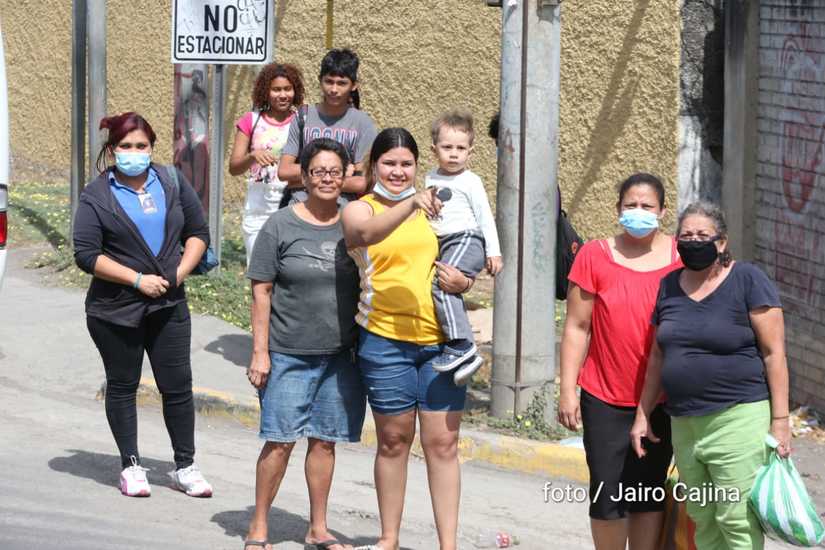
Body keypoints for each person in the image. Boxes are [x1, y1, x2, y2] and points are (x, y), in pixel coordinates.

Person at [341, 128, 474, 550]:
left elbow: (464, 250)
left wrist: (464, 280)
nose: (398, 172)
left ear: (418, 166)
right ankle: (388, 539)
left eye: (406, 164)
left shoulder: (438, 208)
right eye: (389, 163)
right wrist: (407, 204)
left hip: (442, 345)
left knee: (443, 442)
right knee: (394, 440)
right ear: (373, 166)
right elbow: (365, 236)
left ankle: (447, 545)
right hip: (384, 341)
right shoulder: (360, 210)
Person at [631, 201, 791, 550]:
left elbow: (774, 352)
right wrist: (643, 414)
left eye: (702, 235)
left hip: (737, 417)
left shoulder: (748, 279)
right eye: (686, 235)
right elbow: (658, 355)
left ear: (721, 242)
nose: (693, 241)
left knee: (734, 516)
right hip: (685, 422)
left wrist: (780, 420)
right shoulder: (669, 285)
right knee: (702, 515)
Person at [73, 112, 213, 498]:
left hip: (168, 304)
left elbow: (198, 232)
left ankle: (185, 465)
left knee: (178, 386)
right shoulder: (97, 194)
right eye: (126, 147)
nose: (134, 153)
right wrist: (136, 280)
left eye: (142, 146)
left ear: (152, 148)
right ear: (113, 150)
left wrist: (180, 272)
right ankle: (131, 465)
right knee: (123, 385)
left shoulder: (170, 181)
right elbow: (86, 254)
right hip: (114, 311)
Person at [244, 138, 366, 550]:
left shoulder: (354, 223)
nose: (327, 179)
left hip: (339, 357)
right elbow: (261, 291)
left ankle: (318, 527)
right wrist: (260, 352)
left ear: (347, 175)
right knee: (279, 441)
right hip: (288, 355)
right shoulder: (280, 226)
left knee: (325, 441)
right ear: (305, 175)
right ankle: (259, 525)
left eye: (335, 171)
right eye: (318, 171)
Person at [558, 173, 682, 550]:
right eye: (631, 205)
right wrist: (567, 390)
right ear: (618, 210)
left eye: (647, 206)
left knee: (648, 494)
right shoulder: (595, 255)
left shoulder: (681, 259)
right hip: (604, 396)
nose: (639, 213)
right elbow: (578, 327)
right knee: (607, 498)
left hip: (661, 400)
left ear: (662, 211)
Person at [424, 109, 502, 385]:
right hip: (443, 243)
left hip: (466, 238)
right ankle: (466, 356)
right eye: (447, 147)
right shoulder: (429, 179)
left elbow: (484, 217)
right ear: (434, 150)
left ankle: (462, 344)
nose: (454, 154)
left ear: (471, 150)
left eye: (460, 148)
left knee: (441, 284)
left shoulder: (470, 181)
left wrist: (494, 251)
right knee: (442, 287)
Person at [278, 48, 378, 203]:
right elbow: (284, 171)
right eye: (329, 82)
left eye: (342, 83)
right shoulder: (303, 116)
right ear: (320, 80)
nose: (334, 90)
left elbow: (362, 182)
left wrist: (304, 178)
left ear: (354, 86)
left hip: (341, 211)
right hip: (301, 205)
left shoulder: (362, 122)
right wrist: (342, 171)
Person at [229, 62, 305, 264]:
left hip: (294, 203)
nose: (283, 95)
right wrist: (253, 156)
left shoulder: (304, 120)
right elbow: (234, 167)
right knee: (260, 272)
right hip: (258, 208)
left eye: (288, 89)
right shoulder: (251, 120)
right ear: (266, 91)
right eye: (276, 89)